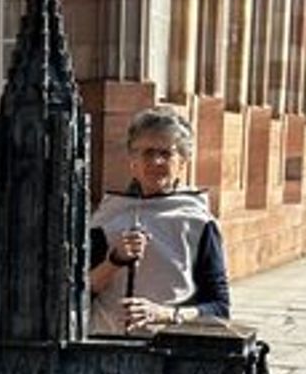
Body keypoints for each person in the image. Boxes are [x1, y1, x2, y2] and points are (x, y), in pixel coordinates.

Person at [85, 106, 231, 335]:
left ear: (183, 162)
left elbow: (219, 307)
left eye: (166, 153)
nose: (156, 161)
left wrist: (165, 314)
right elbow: (79, 292)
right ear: (132, 160)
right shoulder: (107, 216)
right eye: (147, 152)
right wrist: (113, 261)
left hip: (170, 353)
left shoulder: (198, 222)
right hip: (106, 347)